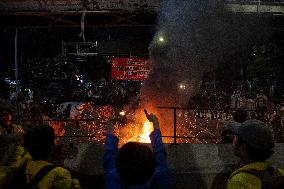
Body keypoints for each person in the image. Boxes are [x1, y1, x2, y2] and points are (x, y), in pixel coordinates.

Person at [104, 109, 171, 189]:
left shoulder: (112, 178)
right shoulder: (161, 176)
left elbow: (110, 153)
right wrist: (155, 123)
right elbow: (160, 152)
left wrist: (110, 129)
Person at [226, 119, 284, 189]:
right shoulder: (279, 173)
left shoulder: (239, 181)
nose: (233, 140)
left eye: (236, 137)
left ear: (243, 147)